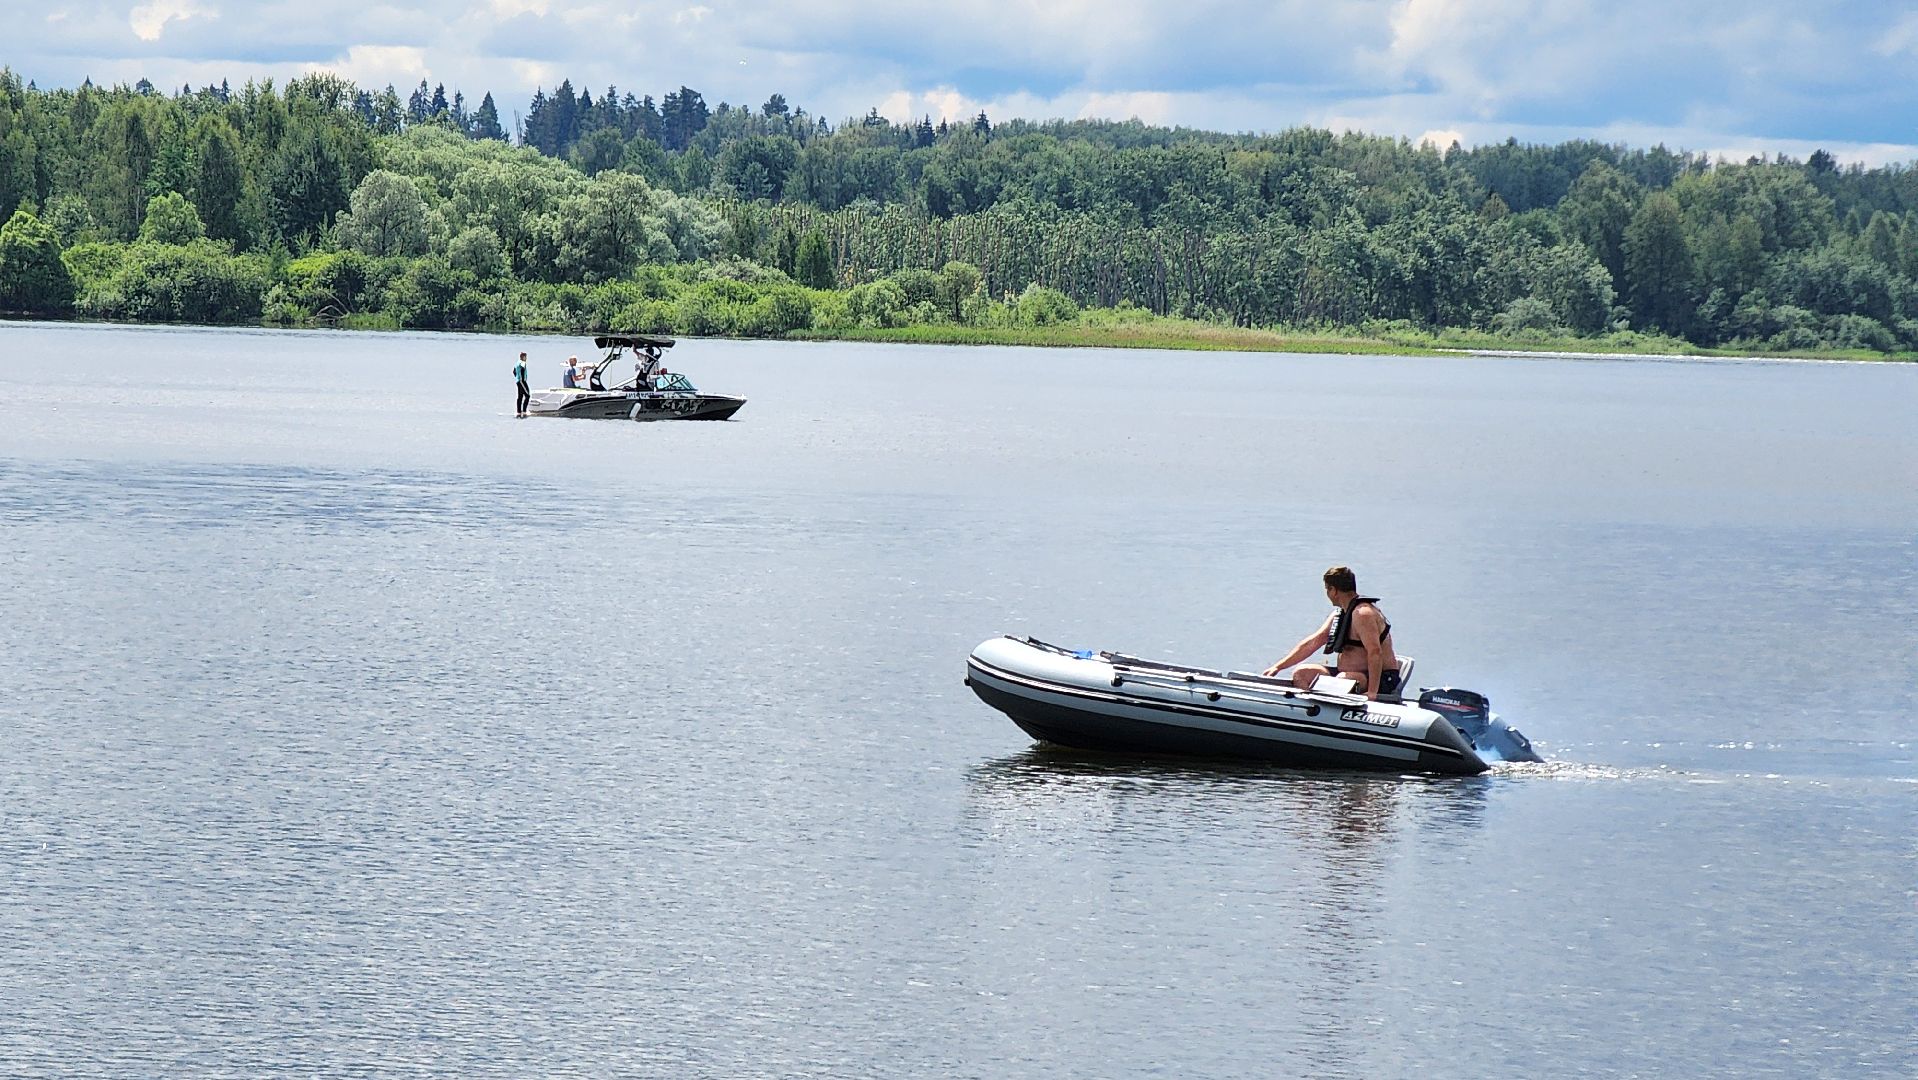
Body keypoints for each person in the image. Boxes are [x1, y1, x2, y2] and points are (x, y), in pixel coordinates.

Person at [1262, 565, 1402, 701]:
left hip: (1377, 679)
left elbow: (1375, 652)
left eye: (1327, 590)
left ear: (1333, 590)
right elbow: (1313, 642)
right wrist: (1278, 666)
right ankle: (1310, 712)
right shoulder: (1341, 613)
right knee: (1302, 673)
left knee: (1341, 682)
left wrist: (1372, 692)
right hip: (1345, 676)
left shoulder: (1363, 614)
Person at [512, 351, 530, 417]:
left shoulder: (517, 363)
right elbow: (522, 368)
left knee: (520, 396)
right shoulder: (522, 363)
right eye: (525, 357)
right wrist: (521, 379)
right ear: (523, 357)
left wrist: (517, 377)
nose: (526, 358)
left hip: (518, 381)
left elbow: (513, 371)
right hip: (522, 381)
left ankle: (518, 412)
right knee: (528, 395)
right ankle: (524, 411)